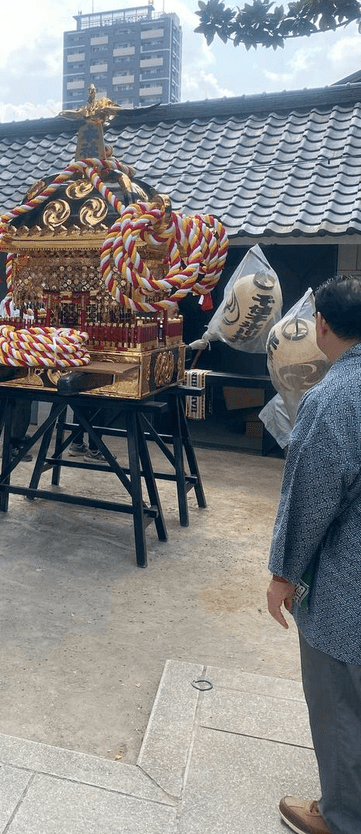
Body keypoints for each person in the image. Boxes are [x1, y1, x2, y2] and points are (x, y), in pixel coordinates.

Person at [267, 275, 361, 834]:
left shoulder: (332, 400)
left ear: (321, 324)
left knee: (338, 702)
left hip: (348, 583)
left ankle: (343, 816)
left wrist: (282, 575)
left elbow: (308, 502)